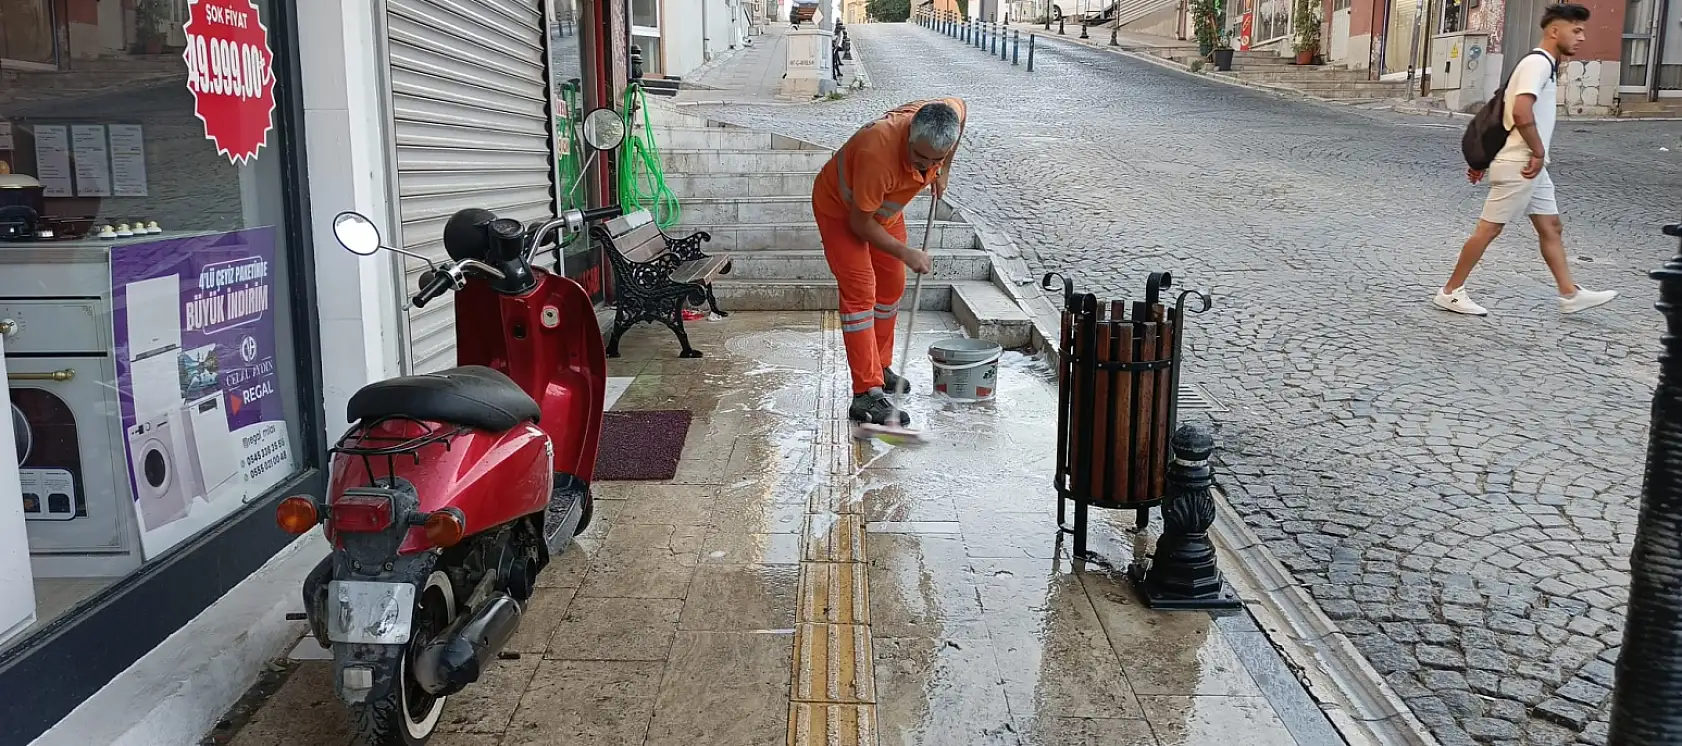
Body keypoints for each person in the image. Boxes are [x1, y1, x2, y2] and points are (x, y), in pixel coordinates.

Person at [1432, 2, 1616, 317]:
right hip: (1523, 163)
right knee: (1488, 230)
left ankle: (1569, 293)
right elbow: (1519, 111)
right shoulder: (1538, 63)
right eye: (1577, 30)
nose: (1582, 37)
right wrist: (1539, 151)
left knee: (1552, 227)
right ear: (1555, 30)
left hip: (1531, 166)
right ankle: (1450, 291)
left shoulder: (1545, 63)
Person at [812, 98, 967, 426]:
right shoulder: (877, 153)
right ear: (910, 134)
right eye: (920, 157)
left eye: (935, 159)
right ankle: (866, 393)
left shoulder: (948, 113)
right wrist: (906, 253)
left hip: (884, 210)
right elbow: (859, 224)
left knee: (891, 286)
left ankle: (879, 368)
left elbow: (961, 114)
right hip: (843, 211)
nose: (926, 166)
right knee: (860, 291)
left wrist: (945, 170)